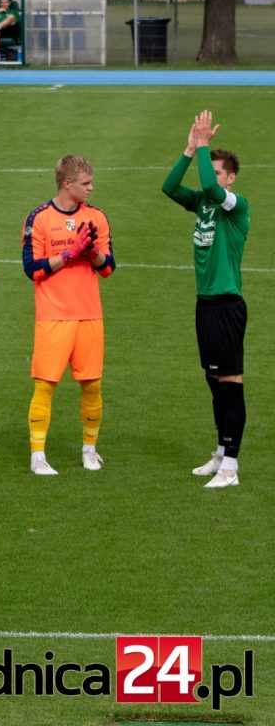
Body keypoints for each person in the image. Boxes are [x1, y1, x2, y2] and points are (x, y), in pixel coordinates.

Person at [161, 110, 249, 488]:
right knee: (214, 380)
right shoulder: (202, 204)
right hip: (206, 304)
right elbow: (169, 187)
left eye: (217, 171)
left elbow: (211, 188)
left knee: (230, 381)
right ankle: (220, 451)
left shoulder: (235, 204)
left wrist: (204, 146)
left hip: (227, 304)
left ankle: (231, 466)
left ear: (230, 177)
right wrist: (188, 149)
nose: (211, 177)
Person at [21, 155, 115, 475]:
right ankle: (37, 456)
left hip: (89, 315)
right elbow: (31, 269)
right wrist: (68, 254)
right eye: (85, 183)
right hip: (53, 316)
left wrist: (91, 253)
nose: (91, 188)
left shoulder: (97, 218)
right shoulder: (39, 219)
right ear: (67, 183)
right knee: (45, 385)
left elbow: (108, 268)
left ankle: (90, 449)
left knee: (92, 385)